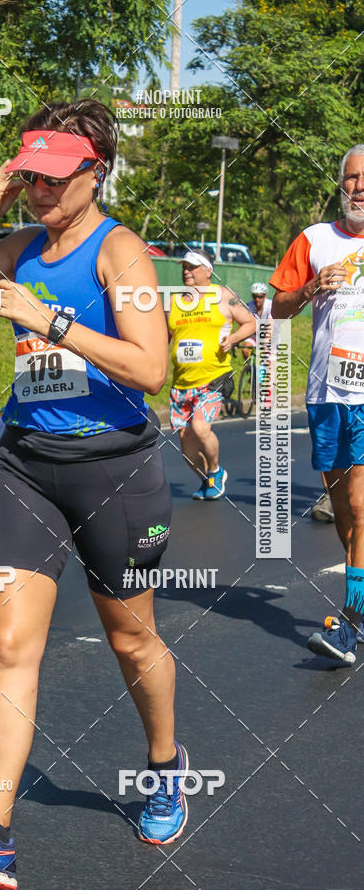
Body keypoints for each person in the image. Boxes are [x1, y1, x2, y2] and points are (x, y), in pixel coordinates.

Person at [0, 99, 187, 888]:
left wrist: (52, 319)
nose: (40, 190)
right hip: (28, 463)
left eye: (55, 178)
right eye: (31, 175)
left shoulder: (120, 251)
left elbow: (150, 370)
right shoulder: (20, 241)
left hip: (116, 468)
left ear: (95, 173)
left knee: (132, 639)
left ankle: (165, 766)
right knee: (8, 645)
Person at [270, 143, 364, 664]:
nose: (360, 187)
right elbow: (276, 309)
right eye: (352, 178)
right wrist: (308, 288)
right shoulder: (314, 240)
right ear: (340, 183)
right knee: (346, 518)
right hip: (327, 392)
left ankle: (350, 623)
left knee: (359, 506)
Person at [167, 250, 256, 501]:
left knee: (200, 428)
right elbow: (164, 337)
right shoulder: (174, 302)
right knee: (186, 447)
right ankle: (206, 479)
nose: (186, 271)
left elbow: (250, 322)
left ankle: (216, 470)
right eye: (184, 266)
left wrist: (234, 339)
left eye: (193, 267)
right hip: (181, 383)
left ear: (208, 271)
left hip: (214, 378)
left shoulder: (224, 296)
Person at [240, 282, 273, 360]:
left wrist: (265, 344)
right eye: (254, 296)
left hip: (270, 333)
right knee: (245, 349)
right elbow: (244, 325)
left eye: (260, 297)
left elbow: (270, 327)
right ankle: (249, 368)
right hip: (256, 332)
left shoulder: (271, 306)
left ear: (265, 296)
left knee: (268, 360)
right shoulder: (248, 306)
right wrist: (236, 341)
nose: (257, 299)